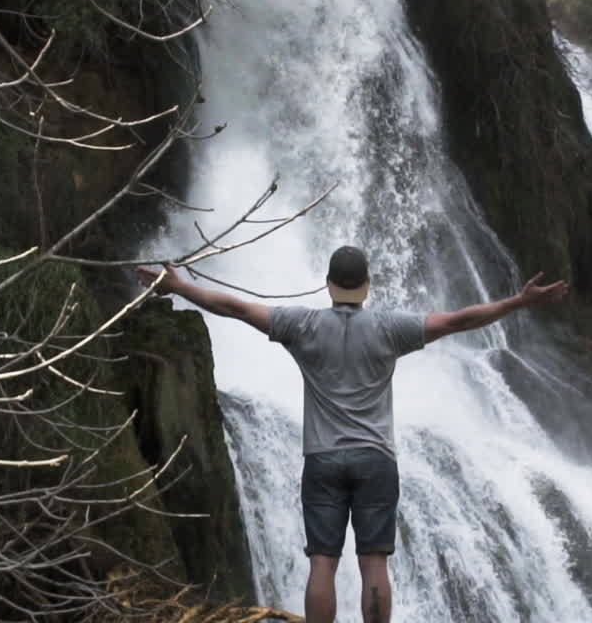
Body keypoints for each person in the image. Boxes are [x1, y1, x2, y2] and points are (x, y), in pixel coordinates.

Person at [136, 246, 568, 623]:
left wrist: (179, 286)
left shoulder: (301, 325)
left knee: (322, 563)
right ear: (367, 285)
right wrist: (519, 301)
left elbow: (236, 308)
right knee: (374, 564)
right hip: (376, 461)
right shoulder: (389, 328)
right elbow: (458, 321)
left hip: (322, 460)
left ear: (328, 285)